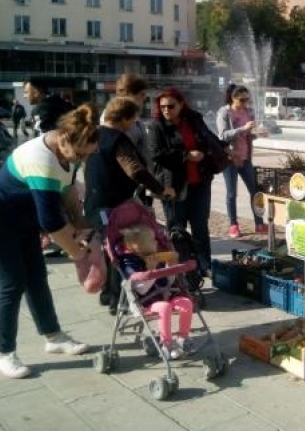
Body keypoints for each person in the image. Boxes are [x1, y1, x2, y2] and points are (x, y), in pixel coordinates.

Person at [0, 104, 98, 379]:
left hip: (22, 221)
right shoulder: (41, 159)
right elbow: (51, 222)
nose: (81, 161)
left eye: (86, 156)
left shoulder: (66, 154)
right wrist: (77, 253)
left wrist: (80, 221)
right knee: (11, 284)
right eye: (81, 155)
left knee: (37, 278)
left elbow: (69, 191)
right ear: (64, 138)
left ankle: (53, 337)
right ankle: (5, 354)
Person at [84, 97, 175, 313]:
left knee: (106, 251)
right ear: (124, 118)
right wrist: (161, 189)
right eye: (133, 118)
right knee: (119, 250)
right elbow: (134, 169)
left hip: (93, 203)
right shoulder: (118, 139)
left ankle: (106, 294)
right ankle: (118, 301)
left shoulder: (94, 135)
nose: (134, 123)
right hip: (114, 205)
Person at [149, 87, 218, 278]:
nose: (166, 110)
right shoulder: (157, 126)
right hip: (175, 185)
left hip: (200, 181)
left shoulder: (193, 119)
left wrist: (219, 149)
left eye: (171, 106)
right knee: (176, 228)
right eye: (162, 106)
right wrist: (186, 156)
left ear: (181, 104)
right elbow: (156, 153)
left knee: (200, 226)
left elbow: (207, 139)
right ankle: (180, 269)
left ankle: (204, 265)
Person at [116, 224, 194, 360]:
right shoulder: (130, 264)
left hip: (163, 295)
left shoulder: (155, 257)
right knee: (165, 307)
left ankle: (183, 337)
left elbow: (168, 282)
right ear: (136, 247)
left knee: (186, 302)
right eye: (151, 240)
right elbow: (141, 290)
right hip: (144, 302)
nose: (156, 242)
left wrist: (171, 266)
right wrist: (150, 271)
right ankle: (166, 344)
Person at [216, 85, 268, 238]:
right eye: (242, 99)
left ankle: (259, 223)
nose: (246, 102)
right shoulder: (224, 113)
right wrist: (242, 128)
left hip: (246, 159)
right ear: (233, 98)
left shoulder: (249, 112)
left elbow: (249, 135)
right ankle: (233, 225)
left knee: (255, 191)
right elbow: (222, 136)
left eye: (247, 99)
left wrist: (258, 133)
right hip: (230, 158)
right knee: (232, 194)